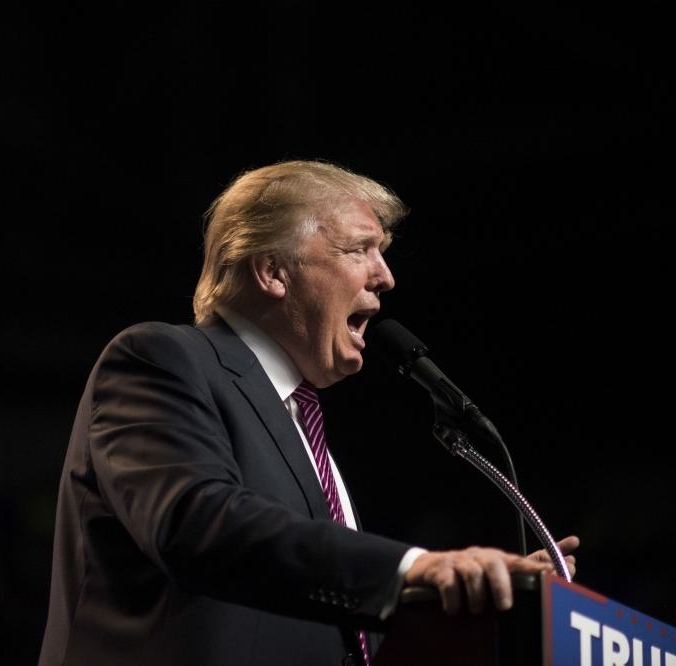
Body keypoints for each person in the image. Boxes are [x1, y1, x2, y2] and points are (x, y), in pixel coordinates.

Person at [38, 161, 577, 666]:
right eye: (361, 249)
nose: (386, 277)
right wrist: (416, 567)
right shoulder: (161, 358)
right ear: (273, 270)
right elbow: (196, 523)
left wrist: (480, 593)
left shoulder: (301, 425)